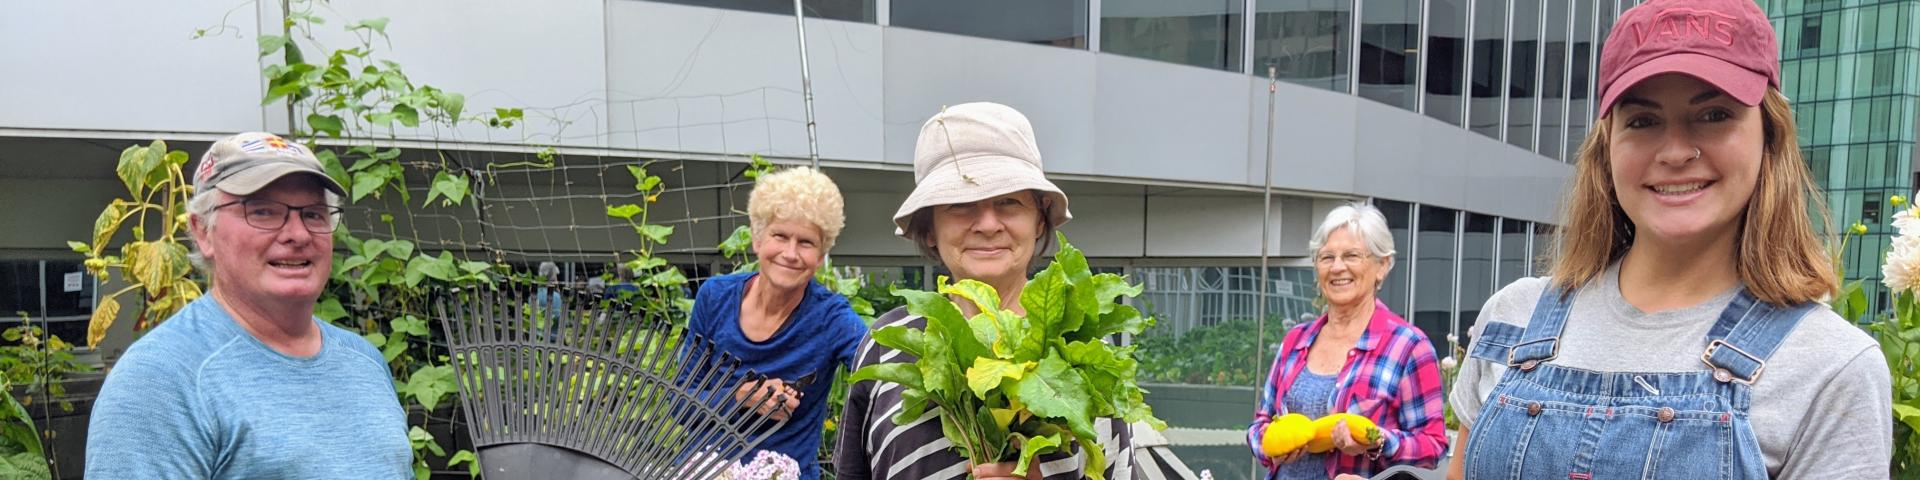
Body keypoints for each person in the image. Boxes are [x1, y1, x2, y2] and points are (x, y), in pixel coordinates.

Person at [1449, 1, 1893, 478]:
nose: (1676, 151)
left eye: (1714, 114)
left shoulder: (1831, 367)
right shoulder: (1514, 317)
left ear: (1769, 137)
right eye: (1643, 121)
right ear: (1607, 147)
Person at [834, 102, 1134, 480]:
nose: (988, 224)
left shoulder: (1083, 349)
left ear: (1040, 221)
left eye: (1009, 202)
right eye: (960, 205)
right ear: (929, 228)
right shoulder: (887, 344)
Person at [86, 132, 410, 478]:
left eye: (314, 214)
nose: (298, 234)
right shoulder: (161, 379)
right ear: (203, 231)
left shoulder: (365, 363)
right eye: (263, 212)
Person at [689, 167, 868, 480]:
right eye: (780, 236)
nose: (791, 253)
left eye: (806, 242)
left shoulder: (831, 318)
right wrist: (742, 396)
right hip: (706, 471)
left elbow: (881, 369)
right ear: (758, 240)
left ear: (821, 255)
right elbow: (680, 403)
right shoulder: (715, 298)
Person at [1247, 203, 1448, 479]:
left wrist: (1377, 441)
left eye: (1352, 256)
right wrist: (1271, 445)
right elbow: (1260, 425)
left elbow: (1433, 446)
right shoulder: (1296, 340)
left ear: (1382, 265)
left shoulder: (1409, 347)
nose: (1337, 267)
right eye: (1327, 257)